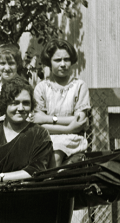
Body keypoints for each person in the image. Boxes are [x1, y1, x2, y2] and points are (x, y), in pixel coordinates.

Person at [32, 39, 90, 167]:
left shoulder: (79, 86)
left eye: (67, 59)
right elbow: (38, 125)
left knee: (56, 151)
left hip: (72, 139)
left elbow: (80, 121)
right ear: (49, 62)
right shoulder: (41, 88)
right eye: (58, 60)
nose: (63, 64)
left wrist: (47, 118)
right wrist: (69, 126)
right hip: (46, 137)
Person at [0, 43, 34, 126]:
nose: (7, 68)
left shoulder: (25, 89)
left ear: (18, 65)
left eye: (11, 63)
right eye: (2, 63)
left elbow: (30, 119)